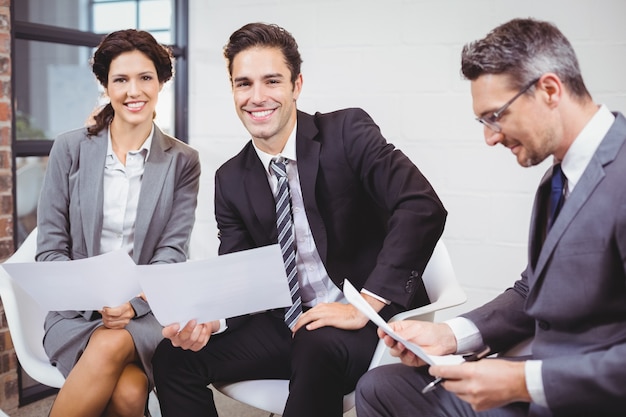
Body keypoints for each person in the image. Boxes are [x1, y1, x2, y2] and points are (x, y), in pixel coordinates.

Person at [151, 22, 446, 417]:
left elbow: (421, 205)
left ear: (296, 85)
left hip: (366, 324)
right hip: (287, 325)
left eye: (271, 81)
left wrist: (365, 304)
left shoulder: (346, 131)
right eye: (243, 84)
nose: (257, 97)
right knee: (173, 357)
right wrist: (211, 322)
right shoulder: (231, 178)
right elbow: (242, 278)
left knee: (315, 341)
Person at [355, 17, 626, 417]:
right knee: (381, 386)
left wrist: (521, 382)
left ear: (550, 90)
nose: (490, 137)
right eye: (483, 121)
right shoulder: (558, 179)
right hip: (534, 378)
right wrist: (450, 335)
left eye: (495, 116)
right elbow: (531, 290)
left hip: (586, 396)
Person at [37, 29, 201, 417]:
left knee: (113, 348)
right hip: (75, 314)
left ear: (161, 82)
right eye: (120, 80)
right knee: (128, 393)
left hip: (146, 313)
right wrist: (99, 299)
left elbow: (171, 253)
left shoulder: (183, 161)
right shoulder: (70, 149)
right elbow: (50, 249)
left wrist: (130, 304)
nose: (134, 91)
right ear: (106, 86)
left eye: (145, 78)